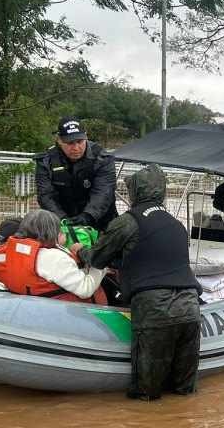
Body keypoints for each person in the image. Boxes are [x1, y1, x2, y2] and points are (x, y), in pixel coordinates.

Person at [78, 164, 202, 400]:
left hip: (155, 309)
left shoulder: (127, 222)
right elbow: (152, 257)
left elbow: (97, 257)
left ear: (135, 191)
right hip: (189, 307)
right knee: (184, 391)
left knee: (147, 394)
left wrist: (79, 250)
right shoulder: (176, 224)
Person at [0, 208, 106, 304]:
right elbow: (85, 290)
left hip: (31, 302)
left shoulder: (14, 250)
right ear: (52, 232)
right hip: (63, 311)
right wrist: (100, 265)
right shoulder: (54, 258)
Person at [35, 116, 118, 230]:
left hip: (100, 221)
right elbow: (45, 195)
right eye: (70, 143)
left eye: (80, 141)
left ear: (86, 136)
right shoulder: (46, 161)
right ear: (59, 140)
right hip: (62, 222)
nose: (76, 147)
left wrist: (88, 215)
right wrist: (62, 219)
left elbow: (104, 192)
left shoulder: (102, 158)